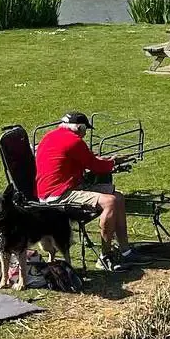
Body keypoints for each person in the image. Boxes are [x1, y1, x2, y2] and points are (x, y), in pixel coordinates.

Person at [35, 111, 135, 269]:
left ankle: (126, 251)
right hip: (58, 195)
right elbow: (96, 167)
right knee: (110, 201)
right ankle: (104, 257)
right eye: (85, 129)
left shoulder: (50, 136)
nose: (85, 133)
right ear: (79, 127)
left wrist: (105, 161)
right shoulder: (74, 141)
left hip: (60, 189)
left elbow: (82, 159)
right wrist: (112, 163)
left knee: (119, 197)